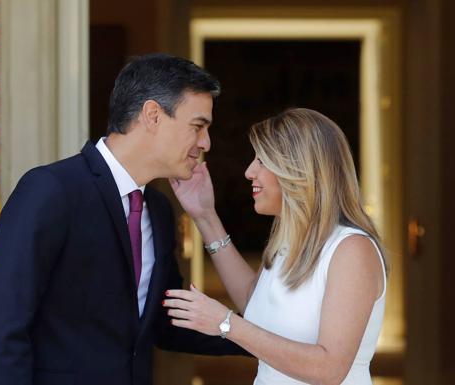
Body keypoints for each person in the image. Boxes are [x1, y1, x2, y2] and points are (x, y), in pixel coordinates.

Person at [0, 53, 245, 385]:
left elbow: (166, 322)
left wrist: (263, 339)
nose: (205, 142)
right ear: (153, 115)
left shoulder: (160, 211)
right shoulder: (51, 191)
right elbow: (5, 328)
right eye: (198, 126)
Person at [165, 108, 388, 384]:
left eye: (262, 160)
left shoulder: (352, 250)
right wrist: (205, 216)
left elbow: (329, 368)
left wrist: (226, 324)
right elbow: (254, 302)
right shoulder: (287, 240)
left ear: (298, 168)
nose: (249, 172)